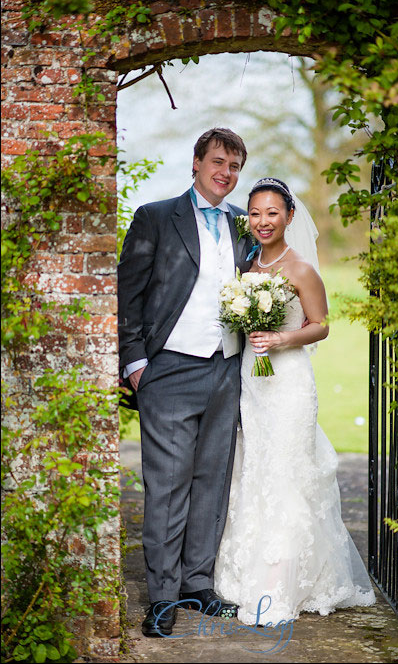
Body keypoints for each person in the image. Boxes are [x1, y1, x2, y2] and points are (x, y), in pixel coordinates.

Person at [214, 177, 375, 626]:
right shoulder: (246, 266)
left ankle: (281, 584)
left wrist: (283, 337)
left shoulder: (301, 268)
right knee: (256, 469)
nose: (263, 222)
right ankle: (245, 572)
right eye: (255, 214)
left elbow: (321, 325)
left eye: (272, 213)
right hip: (253, 380)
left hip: (287, 383)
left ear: (288, 216)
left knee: (287, 473)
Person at [118, 128, 255, 636]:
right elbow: (127, 294)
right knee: (167, 487)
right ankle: (161, 596)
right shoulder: (156, 217)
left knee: (211, 482)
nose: (226, 173)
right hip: (169, 369)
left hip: (227, 369)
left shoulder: (245, 225)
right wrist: (135, 363)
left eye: (235, 166)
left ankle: (198, 583)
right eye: (218, 162)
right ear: (196, 163)